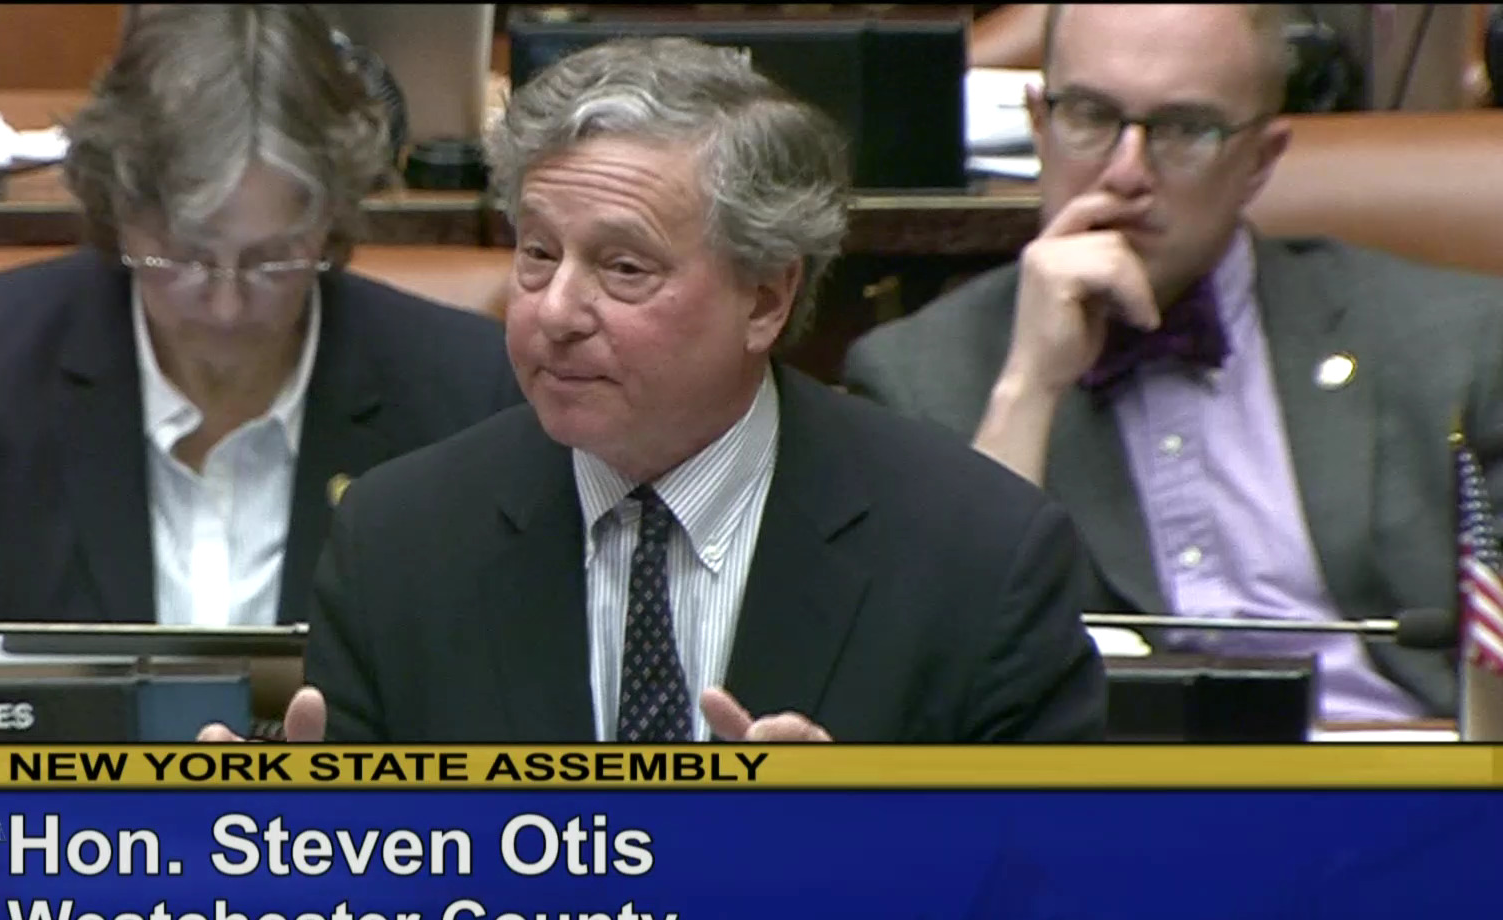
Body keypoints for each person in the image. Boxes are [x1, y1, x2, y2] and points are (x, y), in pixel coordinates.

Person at [205, 36, 1107, 744]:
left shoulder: (980, 559)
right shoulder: (397, 545)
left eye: (624, 268)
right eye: (537, 254)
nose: (556, 311)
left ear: (766, 298)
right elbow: (369, 898)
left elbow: (1059, 900)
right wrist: (281, 860)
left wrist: (858, 861)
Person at [0, 5, 522, 656]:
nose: (226, 306)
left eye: (271, 261)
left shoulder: (462, 392)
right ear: (119, 210)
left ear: (330, 221)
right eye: (185, 258)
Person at [845, 3, 1503, 722]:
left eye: (1186, 129)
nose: (1126, 172)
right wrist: (1030, 386)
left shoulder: (1458, 342)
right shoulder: (916, 376)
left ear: (1260, 160)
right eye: (1090, 115)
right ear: (1039, 125)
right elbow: (933, 691)